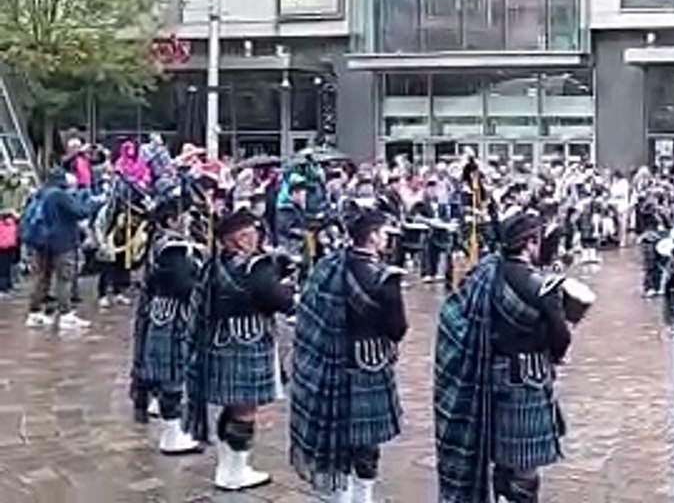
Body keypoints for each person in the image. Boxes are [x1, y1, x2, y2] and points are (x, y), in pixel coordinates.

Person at [435, 212, 583, 503]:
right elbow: (560, 340)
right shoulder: (543, 287)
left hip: (490, 376)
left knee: (501, 460)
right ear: (529, 243)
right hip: (528, 381)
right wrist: (560, 341)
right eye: (537, 240)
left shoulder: (486, 274)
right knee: (525, 471)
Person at [290, 208, 408, 503]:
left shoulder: (329, 266)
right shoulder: (386, 278)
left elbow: (309, 308)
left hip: (331, 361)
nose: (386, 239)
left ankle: (338, 495)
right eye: (383, 233)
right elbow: (397, 328)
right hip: (368, 364)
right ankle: (362, 497)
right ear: (371, 237)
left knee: (338, 434)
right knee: (366, 441)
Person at [183, 208, 296, 492]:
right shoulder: (254, 266)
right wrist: (286, 287)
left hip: (219, 340)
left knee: (232, 406)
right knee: (245, 408)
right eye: (251, 233)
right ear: (239, 238)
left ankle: (227, 467)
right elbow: (277, 300)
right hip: (248, 340)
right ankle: (236, 471)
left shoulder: (214, 263)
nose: (257, 238)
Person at [130, 197, 202, 454]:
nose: (190, 220)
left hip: (160, 312)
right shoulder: (173, 248)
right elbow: (183, 284)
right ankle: (171, 436)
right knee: (173, 374)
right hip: (173, 314)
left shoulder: (159, 241)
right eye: (186, 215)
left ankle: (170, 426)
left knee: (167, 373)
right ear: (172, 219)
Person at [25, 166, 94, 330]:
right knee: (64, 279)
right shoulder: (60, 196)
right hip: (62, 243)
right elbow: (80, 212)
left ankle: (35, 313)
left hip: (40, 243)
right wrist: (88, 202)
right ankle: (66, 315)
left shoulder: (40, 193)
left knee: (41, 278)